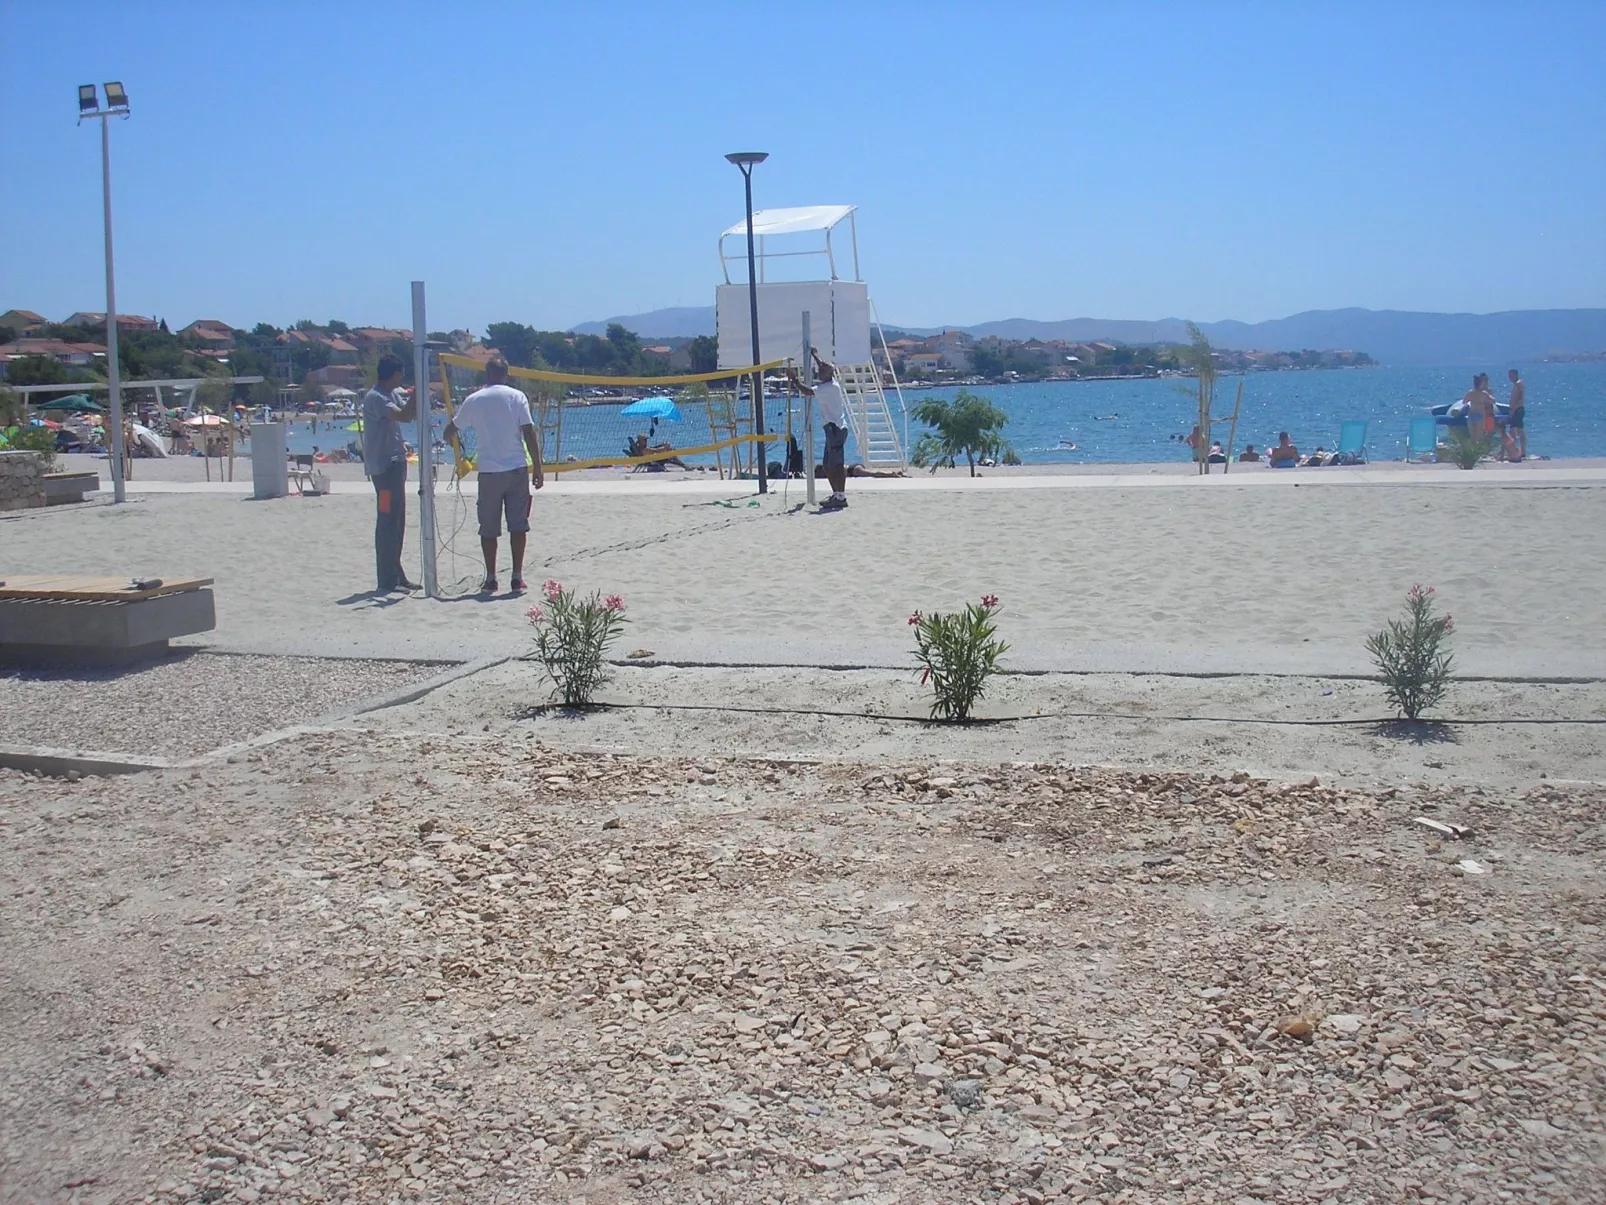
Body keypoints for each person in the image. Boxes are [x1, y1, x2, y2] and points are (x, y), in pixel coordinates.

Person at [442, 356, 544, 594]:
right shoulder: (517, 396)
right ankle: (517, 577)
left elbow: (451, 430)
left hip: (488, 472)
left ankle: (490, 578)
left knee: (489, 528)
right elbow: (529, 432)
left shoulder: (474, 399)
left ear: (486, 374)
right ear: (506, 374)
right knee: (518, 526)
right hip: (516, 469)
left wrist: (452, 444)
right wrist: (538, 466)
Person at [363, 354, 420, 592]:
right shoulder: (376, 398)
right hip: (383, 469)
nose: (402, 377)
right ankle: (386, 578)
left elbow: (408, 415)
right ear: (393, 374)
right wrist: (418, 393)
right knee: (387, 520)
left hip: (395, 464)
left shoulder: (392, 394)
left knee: (398, 521)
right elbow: (404, 415)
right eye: (400, 373)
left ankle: (396, 573)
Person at [789, 348, 850, 510]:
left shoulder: (829, 388)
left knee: (836, 465)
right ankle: (836, 494)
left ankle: (841, 496)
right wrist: (815, 355)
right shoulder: (829, 381)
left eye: (821, 371)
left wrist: (795, 380)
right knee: (827, 466)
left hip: (836, 429)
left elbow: (807, 392)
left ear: (828, 374)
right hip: (831, 430)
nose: (819, 371)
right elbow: (824, 366)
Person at [1507, 368, 1526, 460]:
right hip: (1515, 409)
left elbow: (1520, 398)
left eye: (1511, 375)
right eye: (1509, 376)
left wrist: (1513, 409)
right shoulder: (1516, 384)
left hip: (1517, 410)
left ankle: (1520, 451)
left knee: (1517, 430)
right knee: (1514, 431)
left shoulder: (1519, 384)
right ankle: (1517, 450)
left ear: (1516, 374)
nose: (1510, 377)